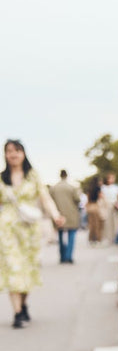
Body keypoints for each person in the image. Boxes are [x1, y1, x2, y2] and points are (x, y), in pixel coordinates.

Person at [1, 140, 65, 327]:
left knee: (28, 268)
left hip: (29, 230)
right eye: (9, 151)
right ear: (5, 155)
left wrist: (56, 216)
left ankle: (23, 303)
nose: (13, 154)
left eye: (17, 151)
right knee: (13, 267)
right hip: (7, 230)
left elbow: (45, 198)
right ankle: (18, 312)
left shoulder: (33, 176)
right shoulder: (2, 178)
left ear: (23, 153)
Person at [48, 169, 82, 263]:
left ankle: (62, 257)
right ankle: (69, 256)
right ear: (67, 176)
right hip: (71, 214)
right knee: (71, 235)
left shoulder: (53, 188)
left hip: (58, 214)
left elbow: (49, 201)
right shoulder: (71, 187)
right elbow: (77, 199)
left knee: (60, 236)